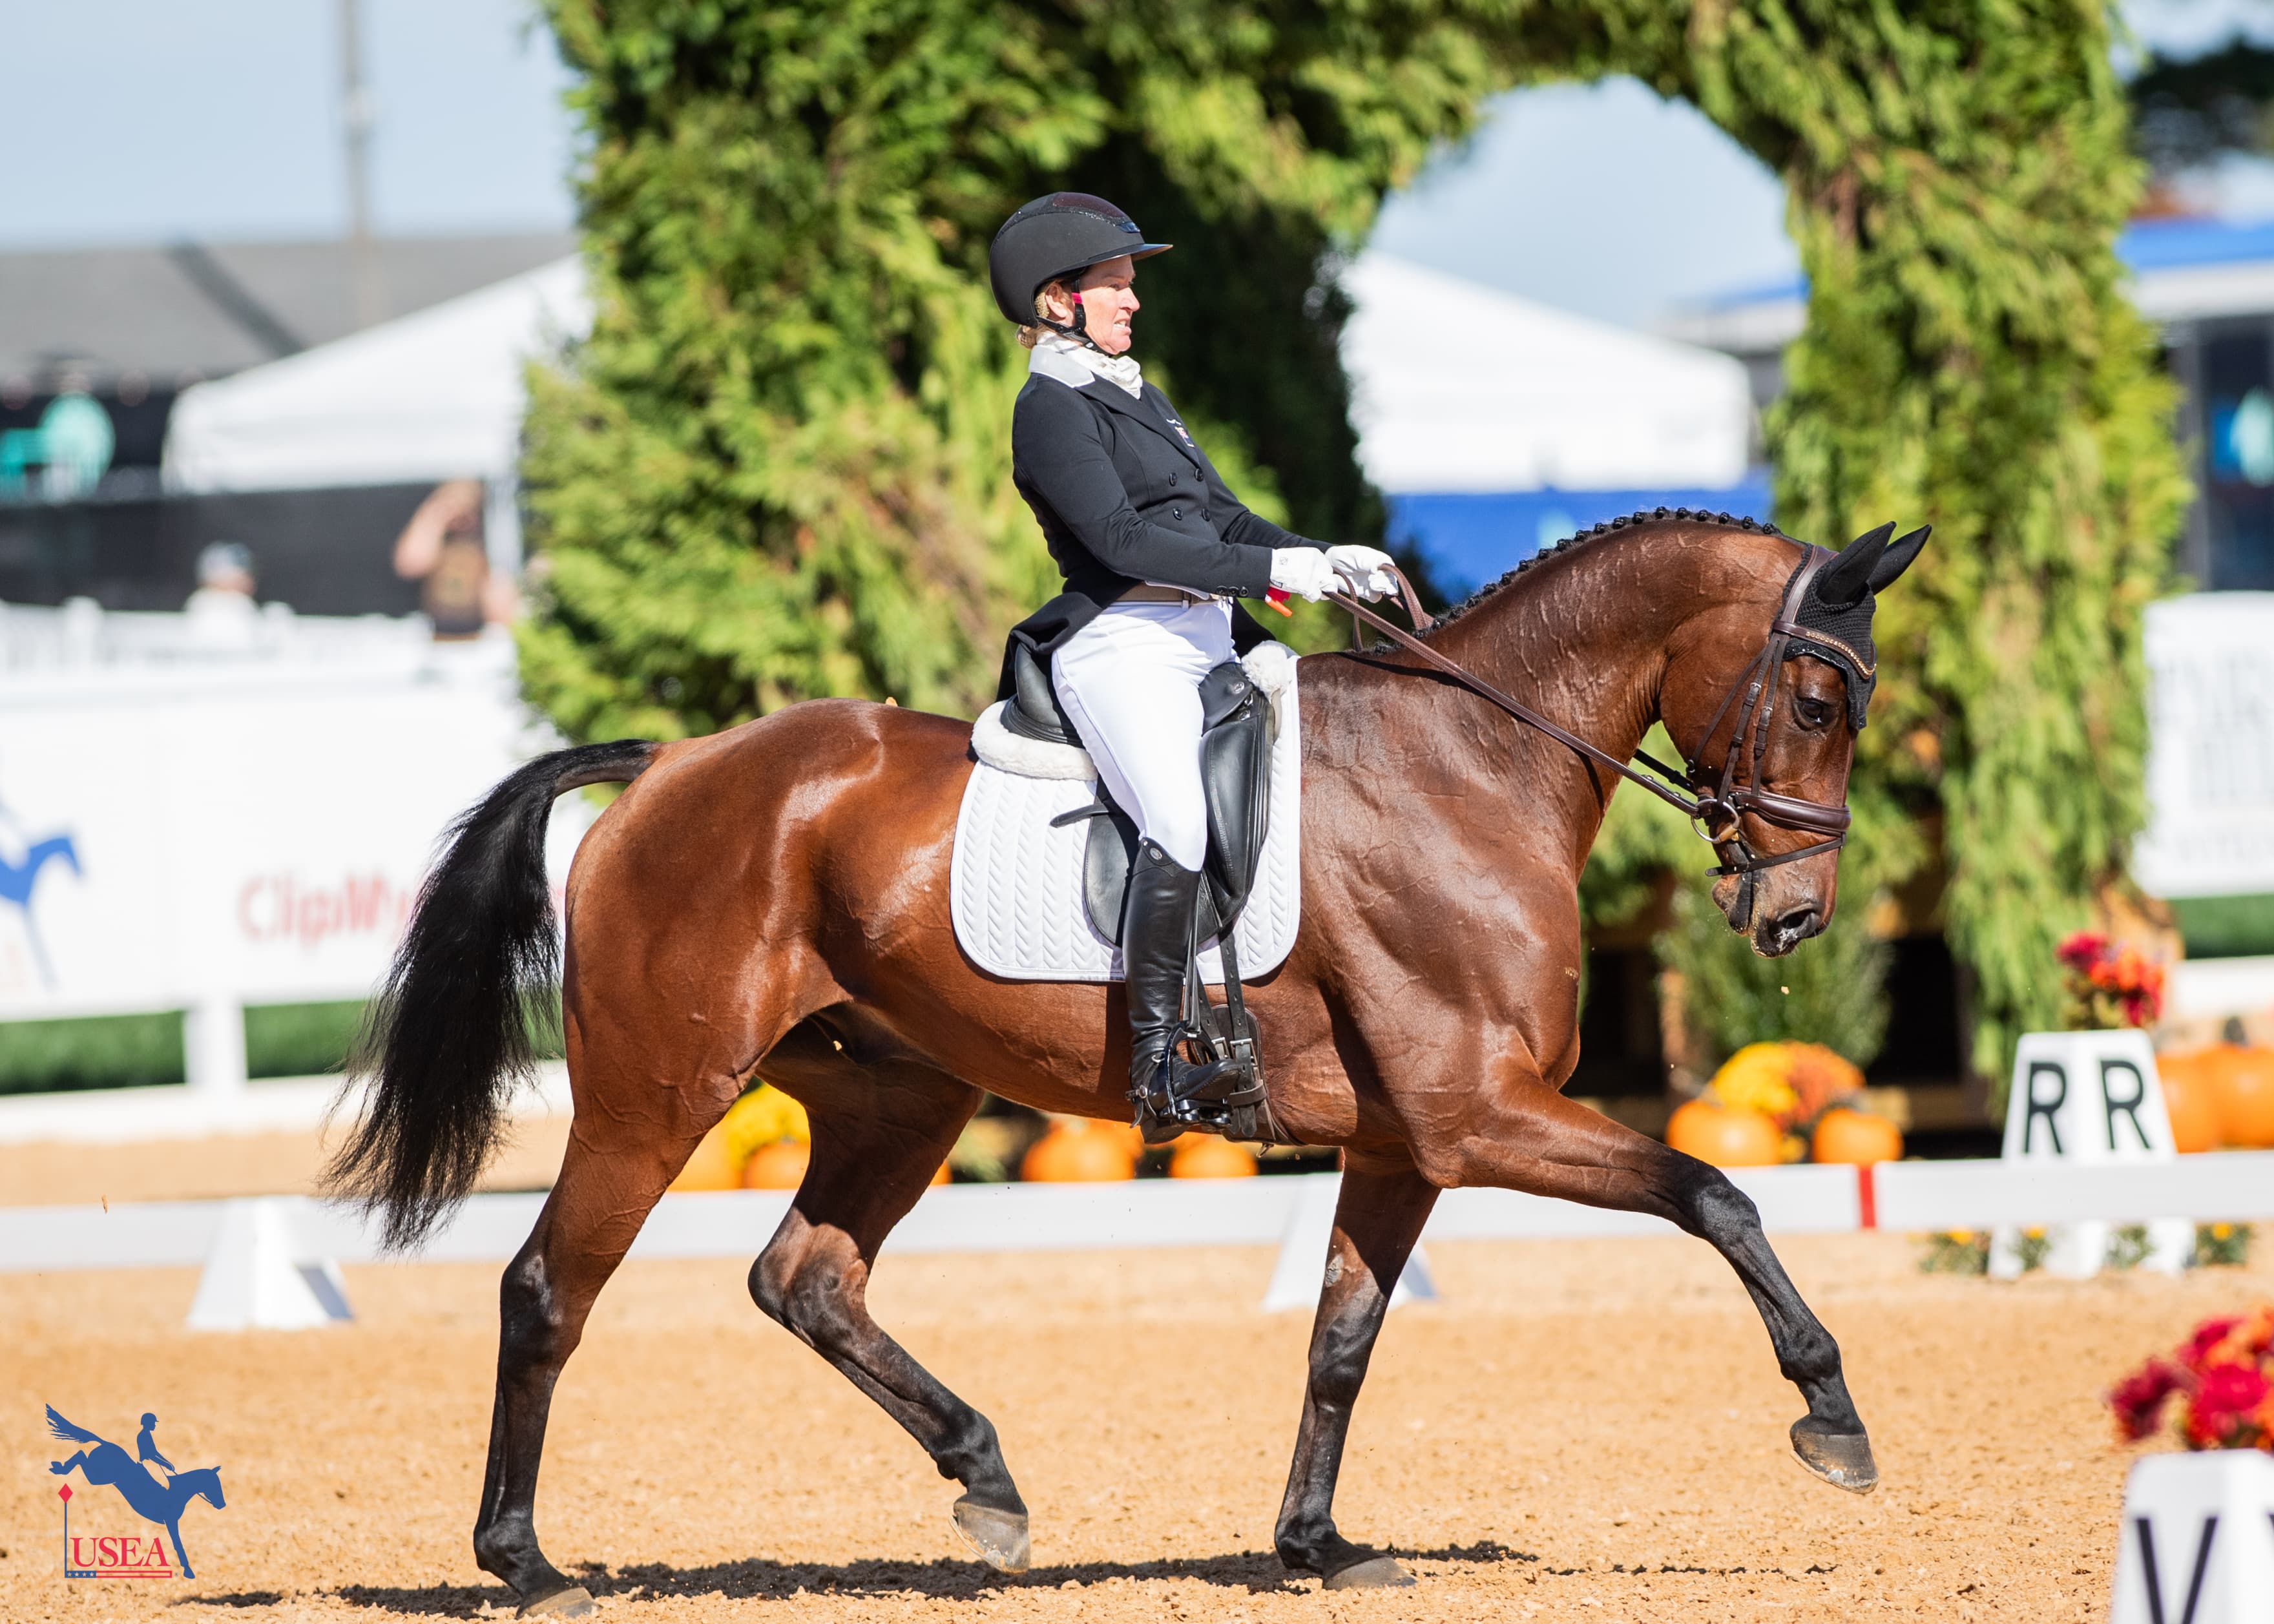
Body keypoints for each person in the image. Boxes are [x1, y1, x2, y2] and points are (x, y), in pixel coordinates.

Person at [987, 191, 1397, 1139]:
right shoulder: (1050, 410)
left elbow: (1221, 517)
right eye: (1114, 284)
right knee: (1174, 813)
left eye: (1131, 282)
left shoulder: (1139, 393)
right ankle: (1158, 1062)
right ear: (1057, 300)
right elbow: (1126, 540)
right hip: (1123, 642)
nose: (1133, 299)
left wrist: (1323, 558)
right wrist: (1270, 570)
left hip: (1212, 638)